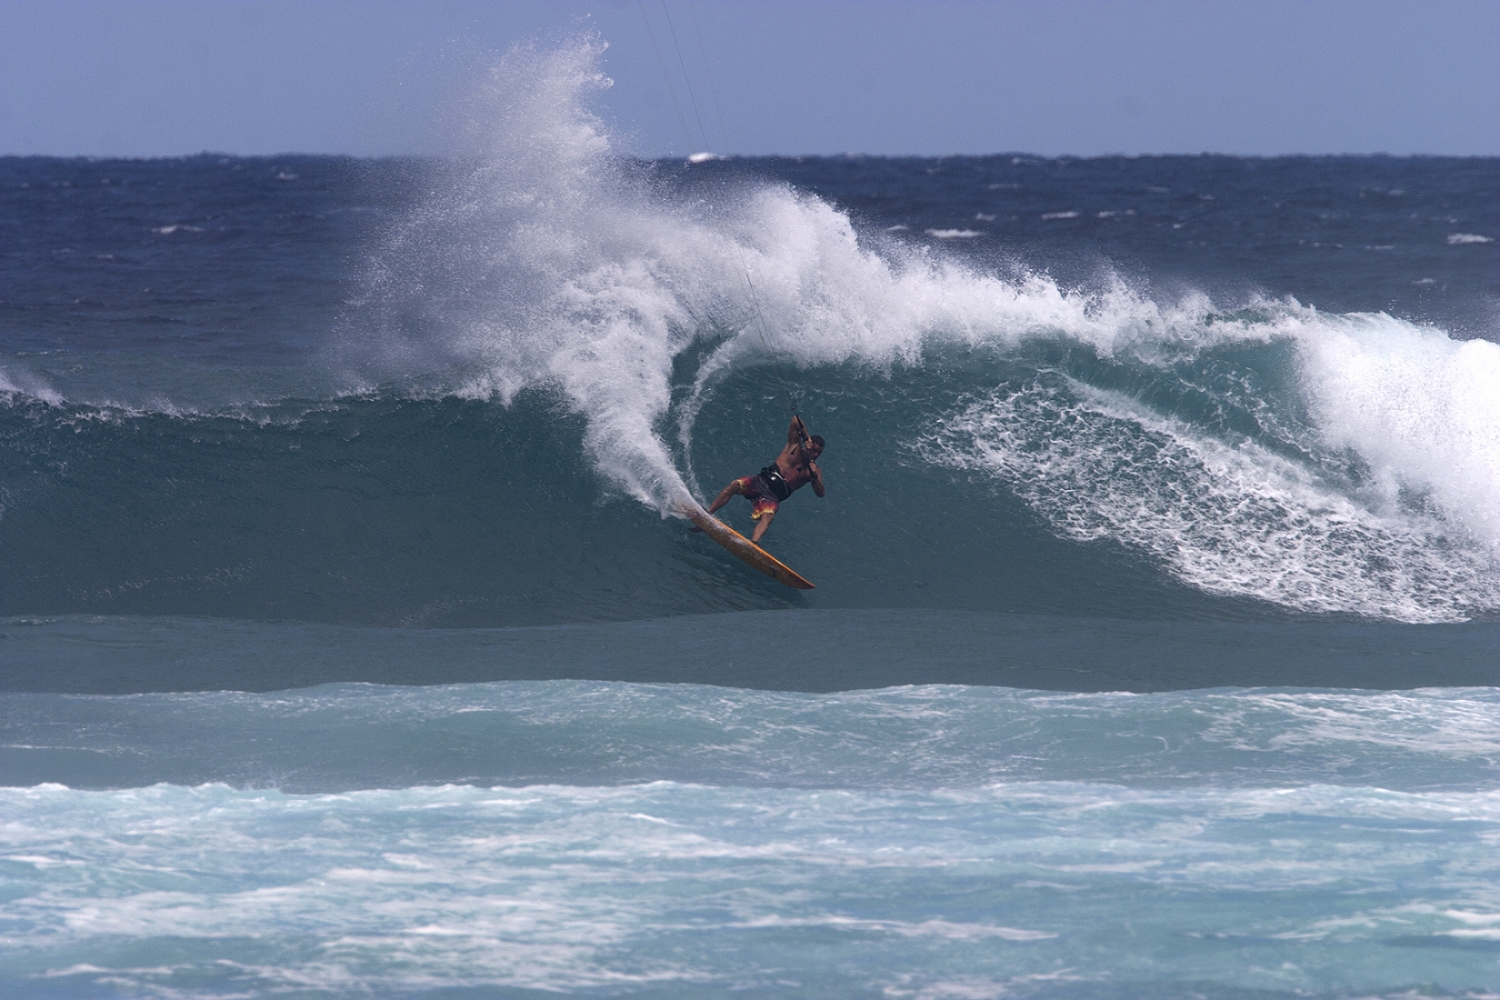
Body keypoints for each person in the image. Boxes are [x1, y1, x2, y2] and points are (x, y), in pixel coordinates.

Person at [701, 414, 825, 544]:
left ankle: (753, 544)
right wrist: (806, 437)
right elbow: (795, 419)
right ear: (808, 446)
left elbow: (821, 493)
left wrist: (814, 476)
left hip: (773, 496)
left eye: (819, 453)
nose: (815, 455)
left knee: (767, 517)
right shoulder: (794, 447)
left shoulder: (814, 470)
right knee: (735, 485)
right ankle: (708, 513)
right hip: (760, 481)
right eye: (814, 450)